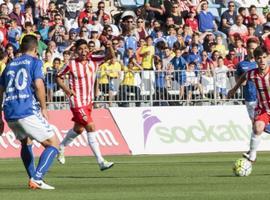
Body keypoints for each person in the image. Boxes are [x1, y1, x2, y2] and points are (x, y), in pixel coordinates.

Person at [0, 35, 59, 189]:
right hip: (26, 109)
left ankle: (34, 178)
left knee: (26, 142)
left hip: (10, 112)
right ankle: (37, 178)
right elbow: (39, 84)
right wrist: (44, 107)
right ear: (35, 48)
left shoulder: (10, 65)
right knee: (53, 144)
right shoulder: (35, 62)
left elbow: (0, 91)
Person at [56, 39, 114, 170]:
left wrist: (109, 46)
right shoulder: (71, 64)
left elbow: (110, 56)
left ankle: (61, 147)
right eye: (80, 49)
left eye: (85, 48)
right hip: (76, 102)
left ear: (88, 49)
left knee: (79, 129)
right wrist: (67, 90)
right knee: (91, 127)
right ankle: (101, 161)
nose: (83, 51)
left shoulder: (94, 61)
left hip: (88, 102)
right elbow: (58, 76)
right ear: (76, 51)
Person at [227, 46, 270, 162]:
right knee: (257, 127)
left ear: (268, 58)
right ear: (255, 59)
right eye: (259, 58)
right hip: (264, 108)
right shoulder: (252, 74)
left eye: (264, 57)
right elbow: (243, 77)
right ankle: (252, 154)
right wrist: (233, 90)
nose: (262, 60)